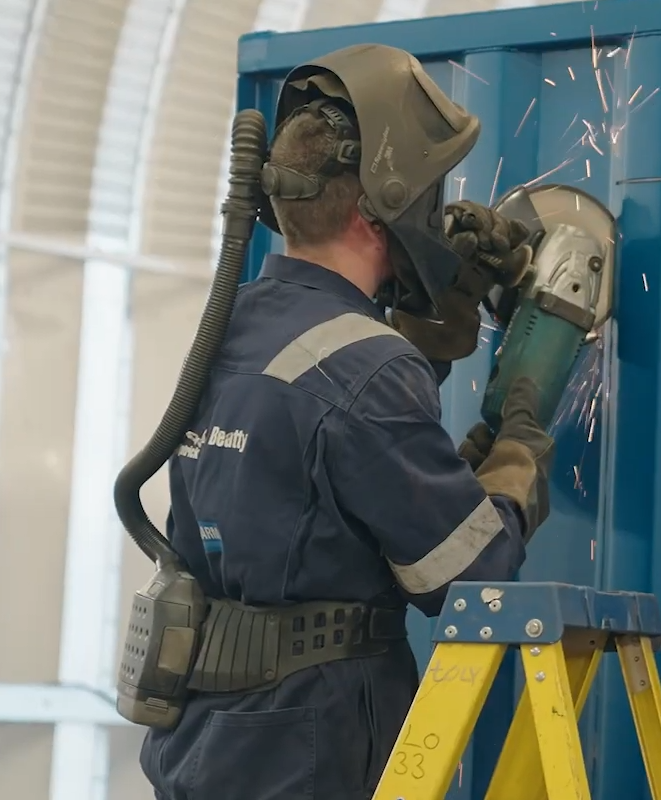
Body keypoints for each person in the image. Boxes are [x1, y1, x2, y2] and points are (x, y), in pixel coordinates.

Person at [138, 44, 557, 800]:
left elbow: (311, 438)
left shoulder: (234, 326)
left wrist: (420, 341)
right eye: (430, 189)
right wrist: (517, 456)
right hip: (309, 746)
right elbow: (468, 575)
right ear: (377, 205)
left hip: (206, 743)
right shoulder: (367, 368)